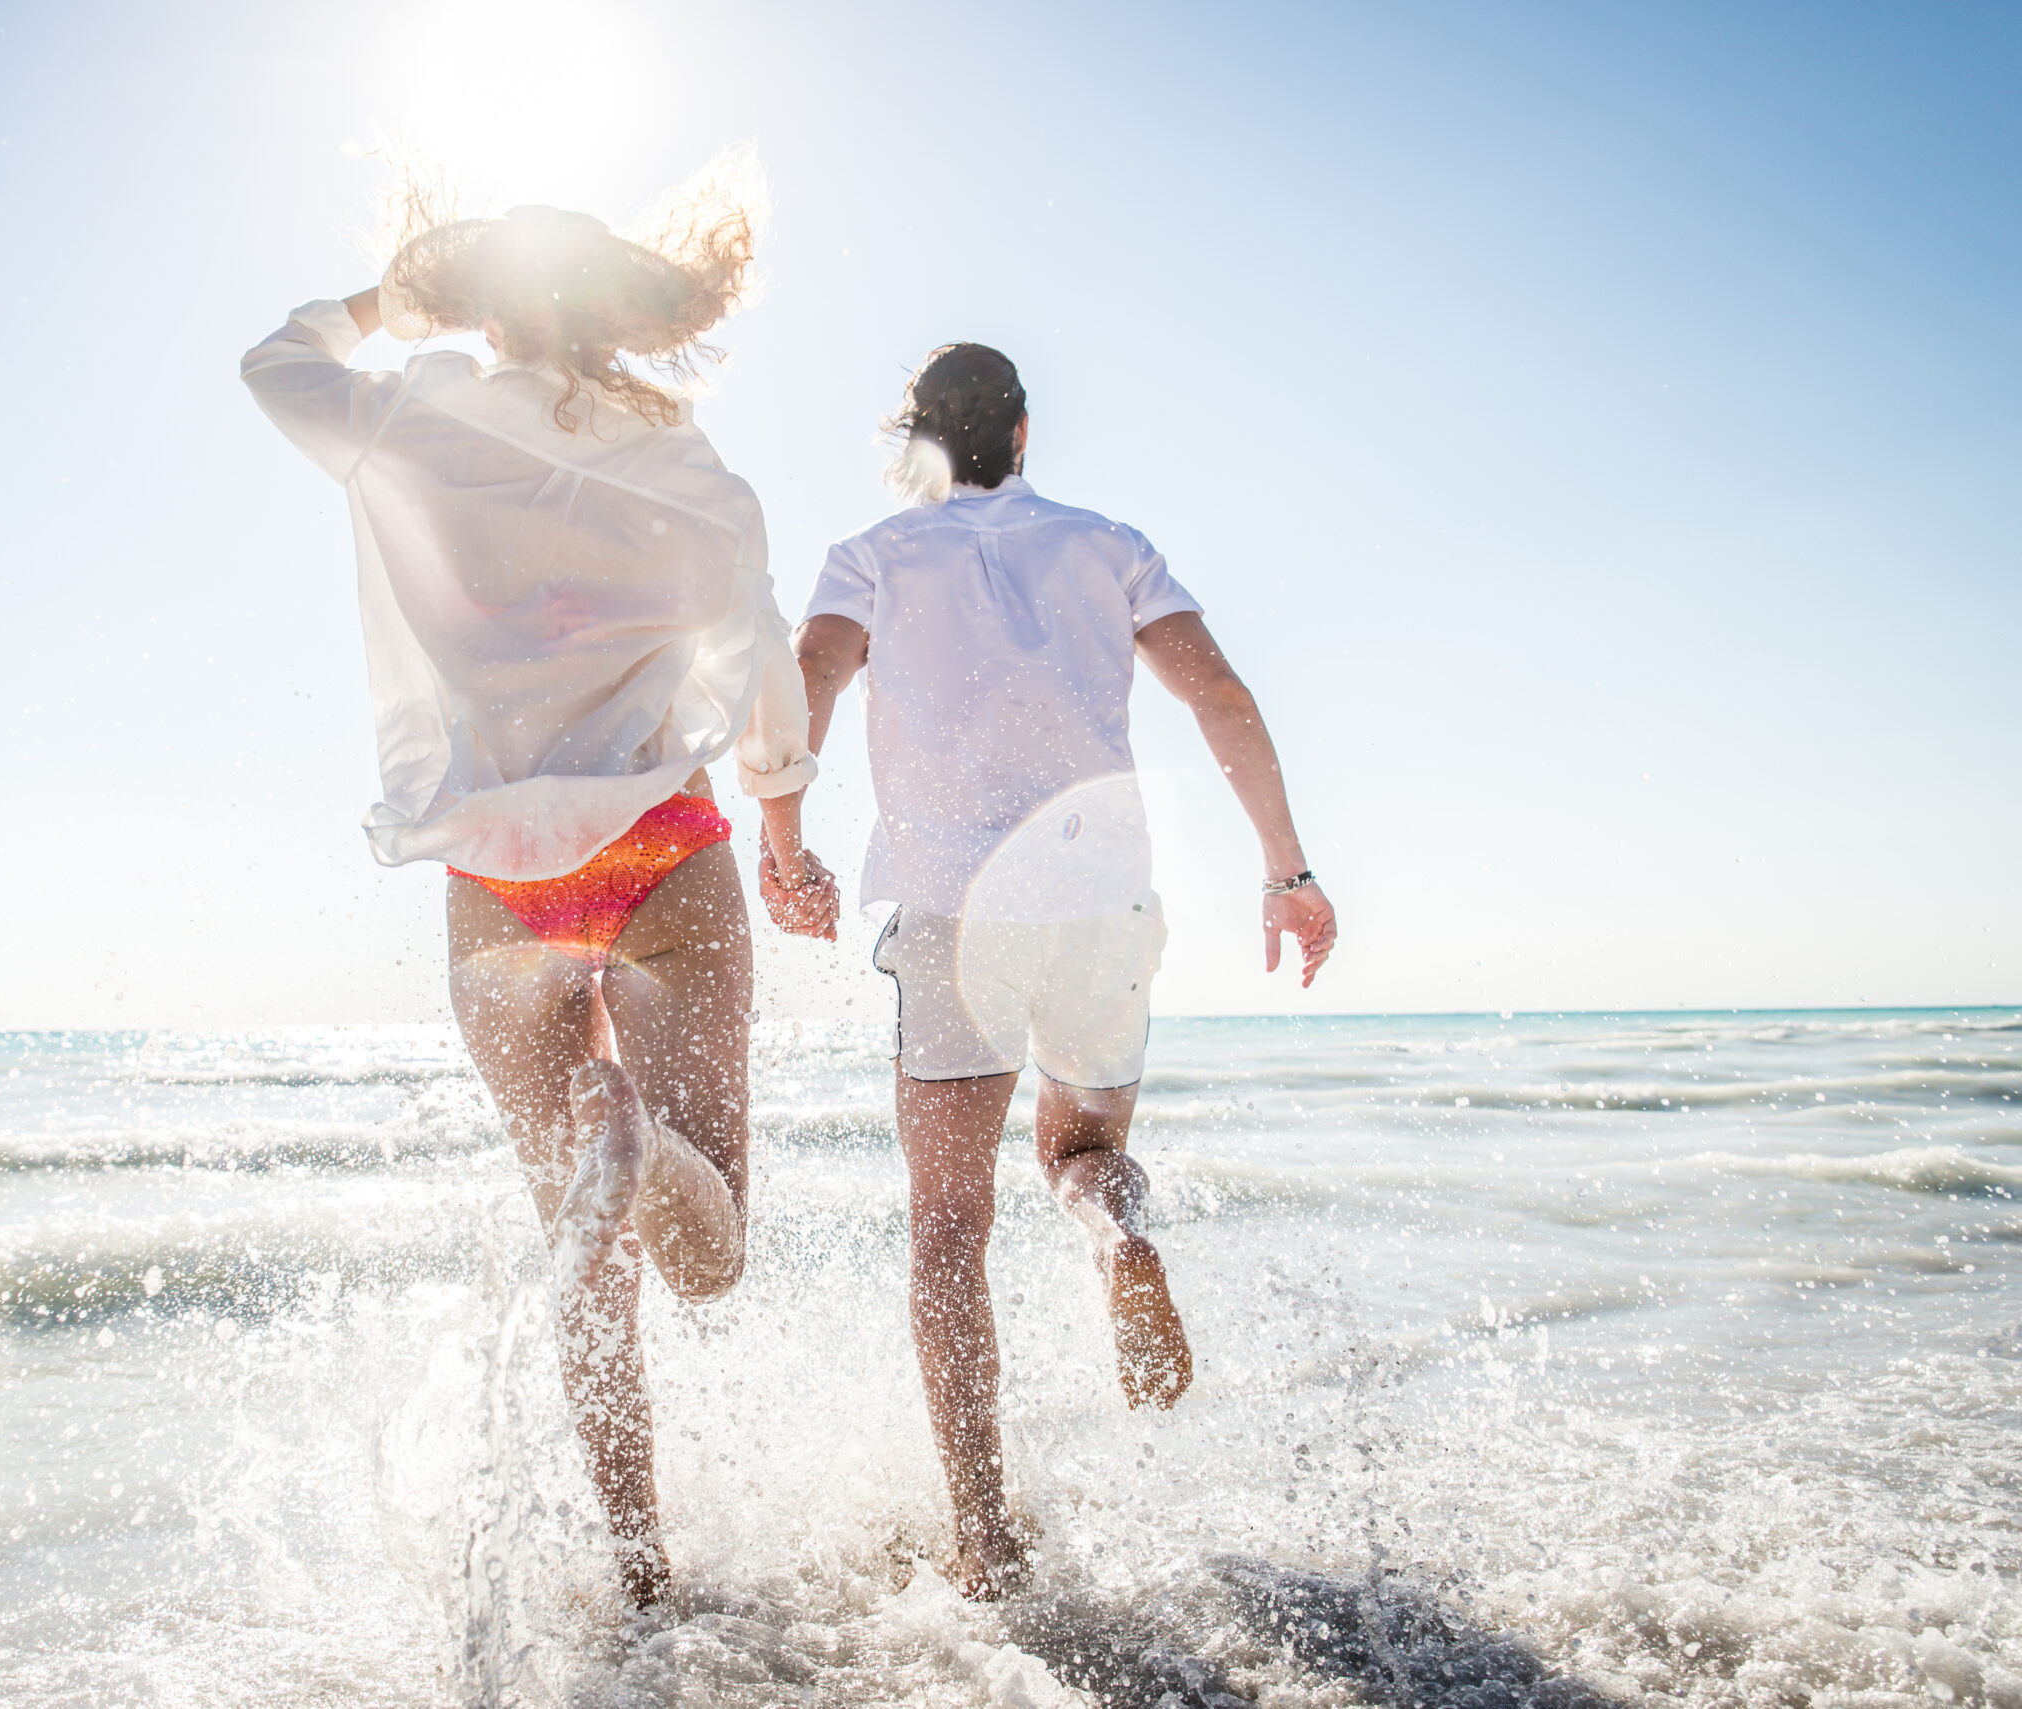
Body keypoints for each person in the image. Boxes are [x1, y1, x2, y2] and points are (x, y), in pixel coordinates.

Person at [240, 160, 841, 1608]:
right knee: (707, 1254)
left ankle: (640, 1573)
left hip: (498, 883)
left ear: (488, 316)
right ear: (620, 321)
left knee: (580, 1252)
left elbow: (275, 364)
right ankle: (640, 1139)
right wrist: (783, 830)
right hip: (662, 852)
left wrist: (399, 293)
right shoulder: (698, 474)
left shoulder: (410, 421)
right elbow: (763, 674)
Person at [775, 342, 1335, 1599]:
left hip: (950, 909)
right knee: (1080, 1153)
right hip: (1097, 895)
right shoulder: (1107, 543)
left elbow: (807, 676)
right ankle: (1115, 1232)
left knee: (946, 1224)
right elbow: (1223, 697)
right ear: (1023, 434)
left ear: (915, 445)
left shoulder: (872, 554)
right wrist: (1287, 874)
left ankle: (985, 1535)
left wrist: (784, 843)